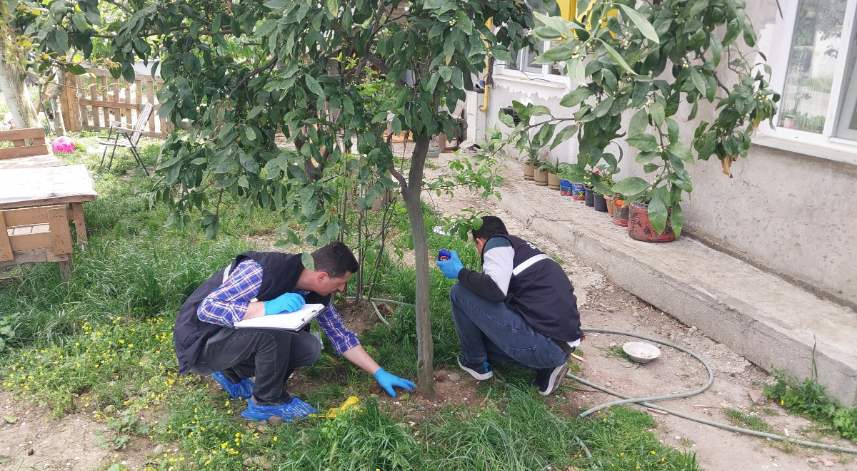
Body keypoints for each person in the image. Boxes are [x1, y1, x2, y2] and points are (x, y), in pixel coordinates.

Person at [174, 241, 417, 421]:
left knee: (309, 347)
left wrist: (380, 373)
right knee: (274, 329)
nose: (342, 289)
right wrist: (265, 307)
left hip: (230, 344)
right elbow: (207, 309)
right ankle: (266, 402)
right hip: (199, 346)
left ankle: (233, 374)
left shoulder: (315, 292)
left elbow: (340, 336)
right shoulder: (260, 271)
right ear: (322, 276)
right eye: (340, 283)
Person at [436, 216, 583, 396]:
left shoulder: (496, 243)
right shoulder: (522, 249)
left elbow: (495, 291)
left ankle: (475, 363)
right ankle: (546, 370)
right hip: (560, 346)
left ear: (479, 242)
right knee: (481, 339)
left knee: (460, 292)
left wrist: (460, 272)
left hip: (542, 343)